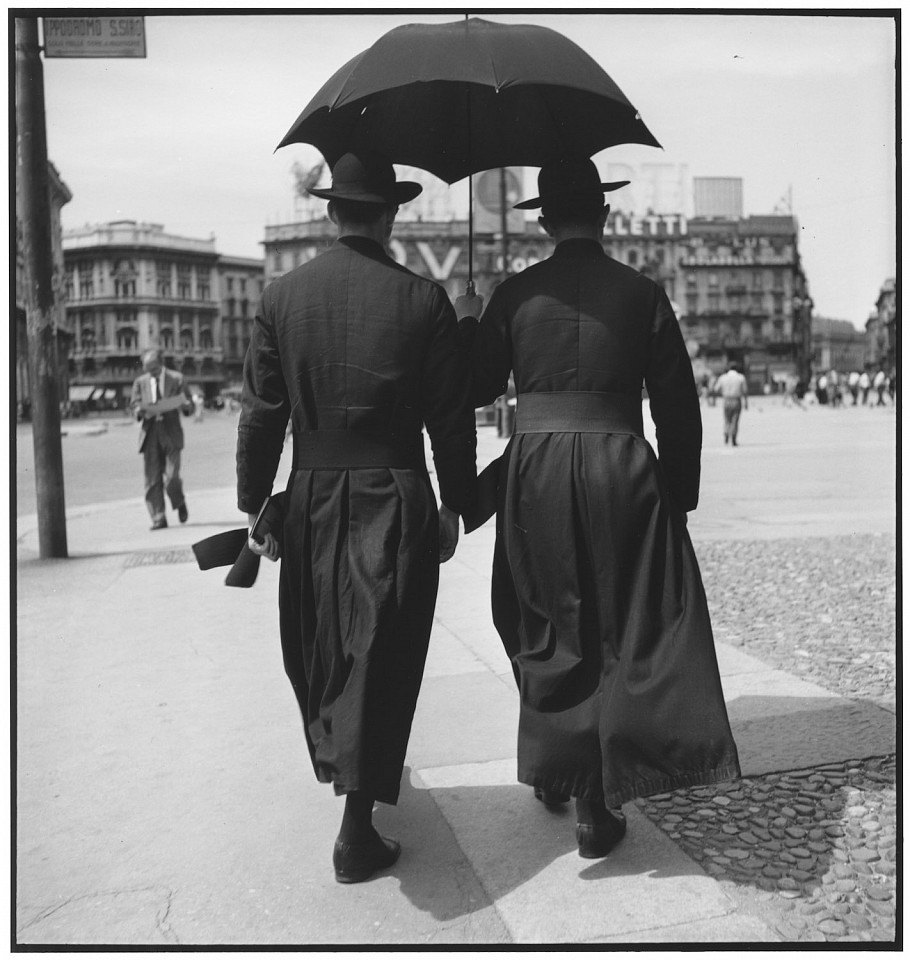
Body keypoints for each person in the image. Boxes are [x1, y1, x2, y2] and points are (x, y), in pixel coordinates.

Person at [455, 157, 739, 859]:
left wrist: (469, 321)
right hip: (623, 466)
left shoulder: (514, 294)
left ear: (545, 221)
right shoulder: (642, 293)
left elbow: (474, 386)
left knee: (544, 617)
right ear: (604, 215)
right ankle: (598, 797)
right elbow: (677, 404)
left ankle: (564, 768)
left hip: (538, 474)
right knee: (623, 624)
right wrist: (677, 492)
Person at [237, 151, 476, 883]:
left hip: (311, 495)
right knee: (384, 646)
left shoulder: (281, 298)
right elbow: (450, 417)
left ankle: (349, 788)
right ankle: (356, 820)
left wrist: (257, 506)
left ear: (332, 210)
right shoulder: (425, 300)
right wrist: (456, 502)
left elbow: (261, 415)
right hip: (396, 491)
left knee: (322, 641)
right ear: (390, 213)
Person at [130, 348, 193, 530]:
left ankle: (179, 501)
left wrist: (186, 405)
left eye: (155, 369)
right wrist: (138, 410)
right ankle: (159, 517)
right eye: (148, 370)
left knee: (172, 477)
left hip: (171, 432)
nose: (152, 373)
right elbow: (134, 405)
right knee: (152, 479)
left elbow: (188, 405)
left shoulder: (177, 378)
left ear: (161, 364)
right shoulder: (139, 382)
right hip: (150, 433)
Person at [714, 361, 749, 445]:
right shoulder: (741, 377)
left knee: (727, 419)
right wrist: (746, 402)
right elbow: (745, 391)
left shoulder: (723, 377)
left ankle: (726, 433)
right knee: (735, 419)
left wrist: (723, 391)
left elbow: (716, 389)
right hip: (736, 400)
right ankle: (733, 437)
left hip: (726, 400)